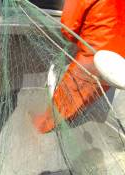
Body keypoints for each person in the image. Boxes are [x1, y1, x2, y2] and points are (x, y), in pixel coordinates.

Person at [34, 0, 125, 133]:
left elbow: (68, 29)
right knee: (93, 92)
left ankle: (43, 126)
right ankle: (71, 116)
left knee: (70, 94)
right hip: (119, 57)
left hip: (97, 55)